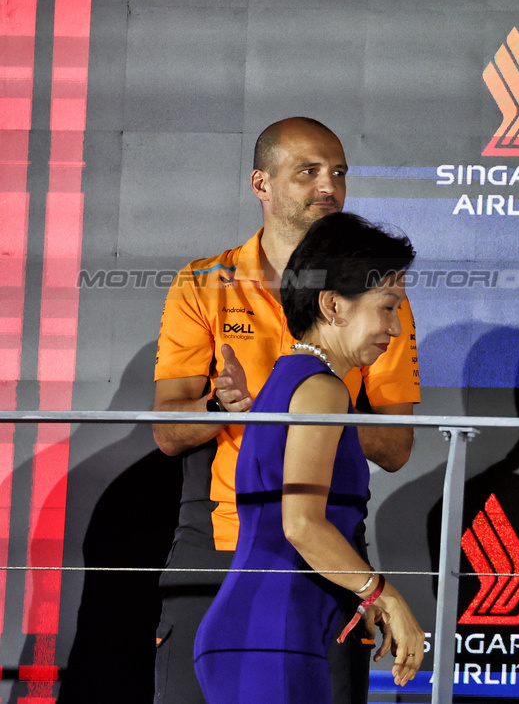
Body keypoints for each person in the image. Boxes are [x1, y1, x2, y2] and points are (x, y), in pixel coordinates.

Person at [152, 117, 419, 704]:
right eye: (308, 171)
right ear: (261, 183)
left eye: (339, 173)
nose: (329, 185)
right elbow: (298, 522)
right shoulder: (312, 382)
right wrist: (383, 595)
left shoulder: (313, 376)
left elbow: (396, 446)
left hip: (309, 581)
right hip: (254, 574)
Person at [194, 212, 426, 702]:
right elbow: (301, 524)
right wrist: (385, 597)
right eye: (387, 307)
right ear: (332, 305)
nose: (394, 327)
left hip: (269, 630)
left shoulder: (294, 377)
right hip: (270, 635)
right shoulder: (319, 389)